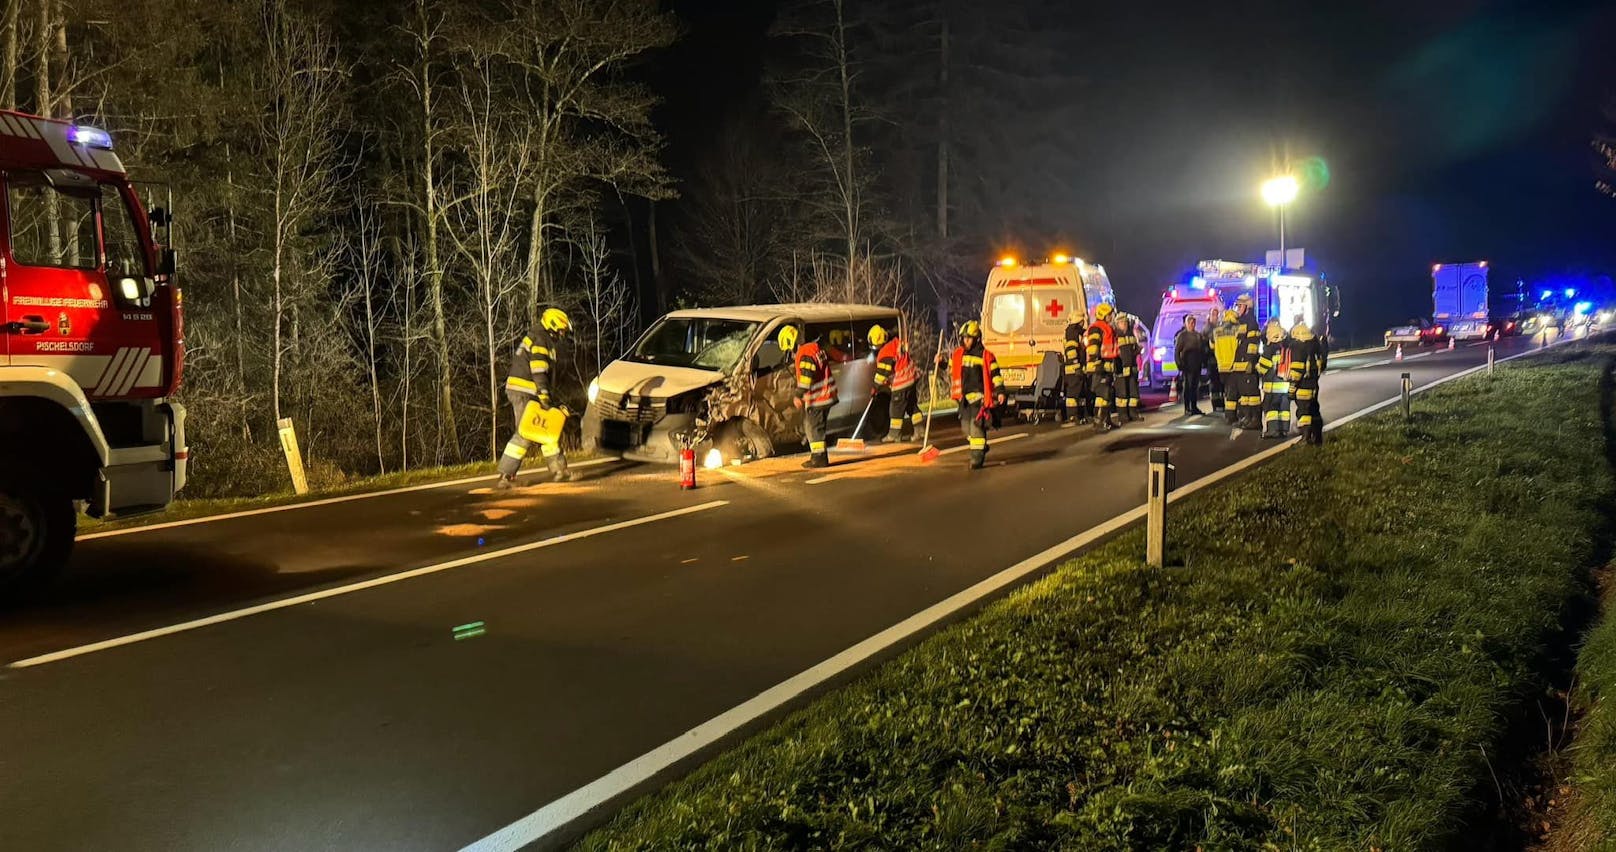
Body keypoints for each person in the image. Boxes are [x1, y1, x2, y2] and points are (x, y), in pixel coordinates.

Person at [497, 306, 576, 487]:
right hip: (526, 391)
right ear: (553, 324)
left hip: (526, 391)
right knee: (525, 433)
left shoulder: (538, 336)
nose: (562, 334)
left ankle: (559, 470)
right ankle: (506, 477)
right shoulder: (542, 339)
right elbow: (539, 370)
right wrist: (545, 396)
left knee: (548, 429)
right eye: (562, 330)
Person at [947, 320, 1005, 469]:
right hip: (964, 399)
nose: (965, 341)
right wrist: (941, 362)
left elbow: (995, 375)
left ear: (976, 338)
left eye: (969, 338)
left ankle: (977, 458)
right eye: (964, 338)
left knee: (976, 428)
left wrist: (1000, 391)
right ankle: (980, 446)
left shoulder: (986, 355)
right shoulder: (959, 354)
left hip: (979, 399)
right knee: (966, 428)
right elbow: (952, 369)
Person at [784, 324, 837, 469]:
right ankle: (818, 456)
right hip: (826, 394)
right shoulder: (814, 348)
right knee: (815, 427)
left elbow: (807, 377)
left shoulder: (805, 353)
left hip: (819, 397)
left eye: (790, 350)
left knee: (814, 428)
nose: (791, 354)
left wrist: (797, 395)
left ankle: (819, 459)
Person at [869, 324, 923, 442]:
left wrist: (875, 387)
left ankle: (894, 435)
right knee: (911, 405)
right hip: (912, 377)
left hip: (902, 381)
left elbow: (882, 374)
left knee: (895, 408)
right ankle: (920, 430)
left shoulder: (885, 352)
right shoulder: (895, 343)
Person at [1288, 321, 1327, 444]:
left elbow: (1297, 371)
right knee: (1314, 409)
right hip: (1313, 384)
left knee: (1303, 412)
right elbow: (1322, 364)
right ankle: (1317, 438)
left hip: (1303, 385)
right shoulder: (1315, 346)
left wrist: (1292, 389)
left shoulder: (1299, 347)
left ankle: (1306, 438)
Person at [1085, 302, 1122, 431]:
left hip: (1106, 367)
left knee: (1105, 395)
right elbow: (1094, 347)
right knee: (1104, 394)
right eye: (1109, 315)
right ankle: (1099, 421)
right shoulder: (1097, 327)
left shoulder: (1106, 327)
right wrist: (1097, 363)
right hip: (1099, 367)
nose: (1111, 317)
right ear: (1104, 315)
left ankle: (1106, 420)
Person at [1255, 318, 1293, 439]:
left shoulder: (1269, 348)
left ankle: (1273, 430)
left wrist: (1256, 367)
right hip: (1285, 385)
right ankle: (1284, 429)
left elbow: (1263, 367)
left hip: (1272, 386)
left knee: (1272, 408)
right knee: (1284, 408)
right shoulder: (1286, 346)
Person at [1233, 294, 1263, 429]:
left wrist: (1250, 362)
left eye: (1240, 306)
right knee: (1244, 394)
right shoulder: (1241, 322)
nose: (1238, 308)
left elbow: (1253, 344)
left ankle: (1255, 419)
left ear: (1247, 307)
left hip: (1247, 363)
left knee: (1252, 394)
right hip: (1240, 363)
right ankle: (1247, 417)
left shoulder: (1251, 323)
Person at [1210, 309, 1242, 424]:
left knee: (1227, 392)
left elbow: (1212, 345)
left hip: (1221, 366)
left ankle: (1229, 415)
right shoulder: (1237, 330)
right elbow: (1240, 345)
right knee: (1233, 393)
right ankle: (1231, 416)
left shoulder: (1216, 331)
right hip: (1233, 365)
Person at [1173, 314, 1208, 415]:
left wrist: (1203, 362)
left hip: (1197, 364)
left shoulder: (1198, 335)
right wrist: (1179, 364)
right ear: (1186, 323)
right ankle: (1187, 408)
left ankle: (1194, 407)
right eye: (1190, 322)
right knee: (1188, 386)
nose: (1192, 324)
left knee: (1195, 387)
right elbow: (1177, 351)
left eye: (1193, 322)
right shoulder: (1182, 336)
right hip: (1187, 364)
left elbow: (1201, 349)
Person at [1061, 309, 1091, 424]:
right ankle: (1072, 416)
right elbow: (1071, 350)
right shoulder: (1072, 332)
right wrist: (1075, 365)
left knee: (1079, 392)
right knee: (1073, 394)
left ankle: (1080, 415)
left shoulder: (1077, 332)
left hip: (1077, 367)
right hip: (1073, 368)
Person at [1113, 311, 1142, 421]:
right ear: (1117, 324)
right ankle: (1123, 415)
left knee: (1133, 393)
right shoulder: (1115, 336)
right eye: (1121, 322)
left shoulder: (1131, 335)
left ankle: (1133, 413)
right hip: (1121, 369)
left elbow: (1134, 350)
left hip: (1132, 368)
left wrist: (1137, 351)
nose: (1123, 324)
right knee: (1122, 394)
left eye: (1125, 322)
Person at [1204, 306, 1224, 413]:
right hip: (1212, 360)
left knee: (1220, 384)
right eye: (1213, 315)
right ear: (1210, 316)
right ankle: (1216, 405)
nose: (1215, 317)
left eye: (1217, 315)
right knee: (1214, 384)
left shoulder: (1218, 328)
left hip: (1219, 360)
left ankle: (1220, 403)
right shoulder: (1208, 329)